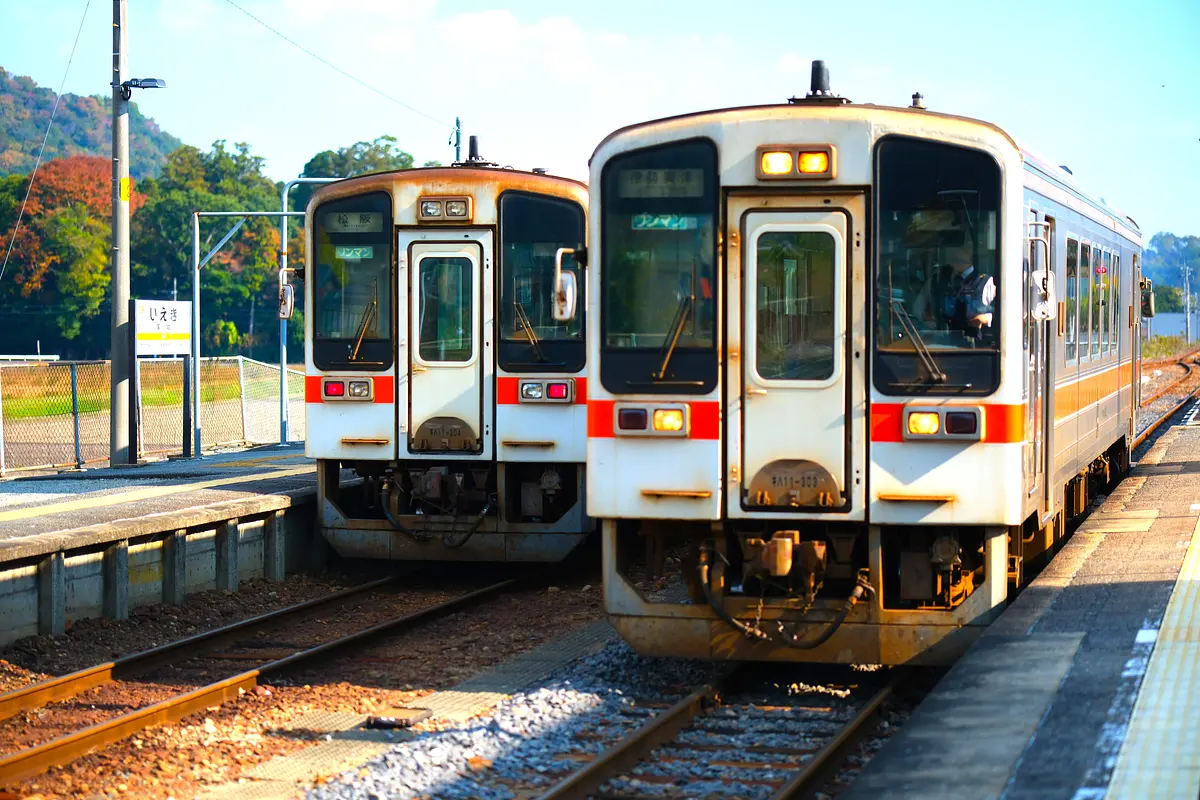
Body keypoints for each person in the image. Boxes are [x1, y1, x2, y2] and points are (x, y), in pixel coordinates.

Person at [941, 239, 996, 340]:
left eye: (959, 250)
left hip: (978, 348)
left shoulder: (987, 282)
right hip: (950, 344)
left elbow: (1007, 313)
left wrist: (986, 319)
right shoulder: (947, 281)